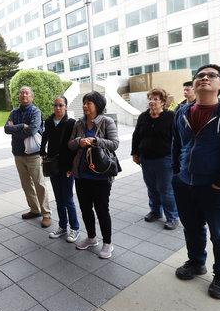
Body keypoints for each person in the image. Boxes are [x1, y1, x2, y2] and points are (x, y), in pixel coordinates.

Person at [172, 64, 220, 300]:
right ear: (194, 83)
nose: (204, 78)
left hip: (216, 187)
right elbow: (177, 144)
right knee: (192, 228)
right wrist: (176, 173)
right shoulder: (182, 112)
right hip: (185, 184)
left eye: (211, 76)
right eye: (200, 75)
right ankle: (196, 262)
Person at [68, 91, 119, 259]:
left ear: (98, 105)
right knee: (85, 208)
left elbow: (114, 144)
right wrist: (79, 142)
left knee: (102, 209)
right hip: (81, 175)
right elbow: (70, 144)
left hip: (101, 176)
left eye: (88, 103)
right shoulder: (79, 123)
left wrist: (95, 141)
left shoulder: (106, 121)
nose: (85, 106)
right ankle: (91, 238)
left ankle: (108, 243)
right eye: (84, 103)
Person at [131, 88, 179, 230]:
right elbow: (136, 136)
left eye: (156, 99)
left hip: (164, 159)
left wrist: (177, 156)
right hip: (146, 159)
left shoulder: (171, 116)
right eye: (150, 98)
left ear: (163, 102)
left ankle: (172, 217)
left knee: (165, 189)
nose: (152, 101)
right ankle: (156, 212)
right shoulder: (143, 117)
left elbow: (178, 138)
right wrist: (135, 153)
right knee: (152, 188)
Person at [5, 86, 51, 227]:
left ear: (32, 96)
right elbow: (6, 129)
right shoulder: (14, 112)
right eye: (22, 93)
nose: (24, 95)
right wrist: (22, 126)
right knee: (26, 184)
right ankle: (34, 209)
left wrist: (16, 128)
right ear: (19, 96)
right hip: (18, 154)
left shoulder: (35, 111)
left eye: (27, 93)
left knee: (39, 184)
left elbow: (32, 130)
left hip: (33, 155)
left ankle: (46, 213)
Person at [40, 95, 79, 242]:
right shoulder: (49, 121)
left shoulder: (71, 123)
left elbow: (74, 148)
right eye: (55, 105)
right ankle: (63, 227)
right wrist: (42, 150)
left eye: (61, 105)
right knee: (59, 199)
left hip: (66, 166)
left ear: (66, 107)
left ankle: (75, 228)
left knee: (68, 198)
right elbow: (45, 136)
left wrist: (72, 167)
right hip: (53, 165)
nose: (57, 108)